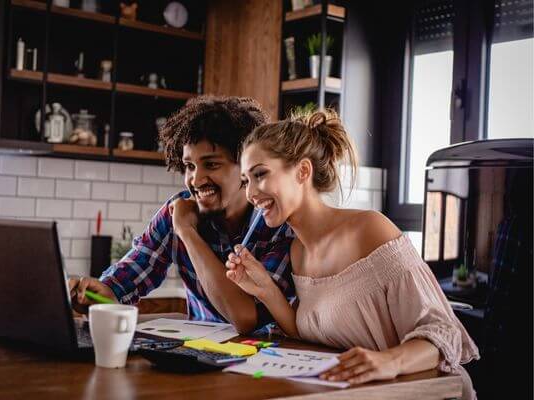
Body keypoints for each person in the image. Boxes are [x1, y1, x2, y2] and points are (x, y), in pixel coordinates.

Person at [225, 110, 480, 398]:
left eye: (260, 174)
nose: (250, 193)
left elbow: (445, 334)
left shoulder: (369, 229)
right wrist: (266, 290)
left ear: (302, 172)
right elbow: (305, 330)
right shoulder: (299, 251)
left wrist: (389, 360)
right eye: (246, 180)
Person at [69, 95, 295, 334]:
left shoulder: (276, 223)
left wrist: (188, 233)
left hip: (262, 359)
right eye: (189, 166)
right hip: (199, 355)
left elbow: (246, 318)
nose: (195, 180)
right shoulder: (176, 212)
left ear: (245, 167)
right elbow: (126, 280)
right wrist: (96, 294)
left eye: (211, 165)